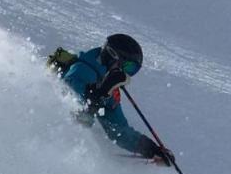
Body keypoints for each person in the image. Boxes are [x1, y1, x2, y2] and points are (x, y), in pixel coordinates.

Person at [51, 33, 175, 166]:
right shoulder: (82, 69)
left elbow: (118, 131)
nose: (127, 73)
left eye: (132, 70)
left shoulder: (110, 88)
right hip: (54, 134)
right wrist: (100, 92)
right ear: (112, 56)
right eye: (128, 67)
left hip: (71, 150)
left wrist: (151, 149)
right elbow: (74, 112)